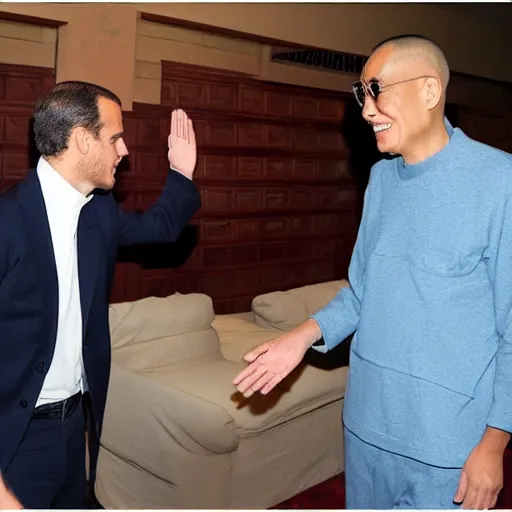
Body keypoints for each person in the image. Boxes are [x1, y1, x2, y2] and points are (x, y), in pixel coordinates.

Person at [233, 34, 512, 510]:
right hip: (366, 426)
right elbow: (362, 294)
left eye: (376, 90)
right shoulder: (381, 180)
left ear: (428, 91)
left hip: (448, 445)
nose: (366, 111)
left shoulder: (500, 182)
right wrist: (301, 335)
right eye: (361, 94)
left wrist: (495, 442)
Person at [0, 81, 201, 509]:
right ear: (81, 140)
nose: (123, 150)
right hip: (15, 439)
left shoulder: (98, 213)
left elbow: (160, 229)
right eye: (114, 137)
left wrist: (182, 174)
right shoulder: (6, 222)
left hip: (77, 429)